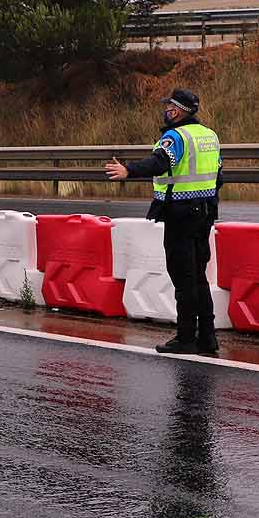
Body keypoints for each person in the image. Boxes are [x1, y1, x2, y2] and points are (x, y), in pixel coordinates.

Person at [104, 88, 223, 356]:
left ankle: (185, 338)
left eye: (169, 107)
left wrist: (129, 170)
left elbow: (159, 163)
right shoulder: (210, 136)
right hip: (205, 213)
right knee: (200, 276)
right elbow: (219, 175)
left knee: (184, 278)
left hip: (180, 214)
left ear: (178, 110)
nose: (166, 111)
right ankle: (207, 338)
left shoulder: (175, 137)